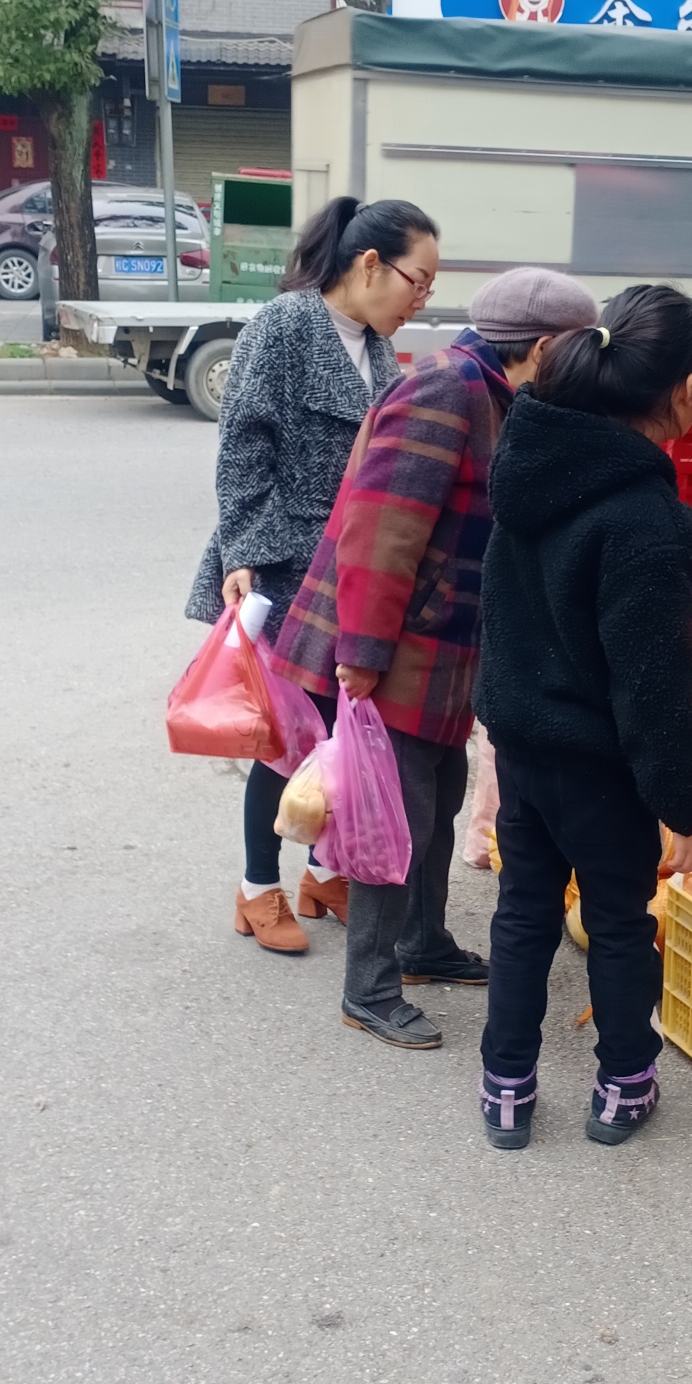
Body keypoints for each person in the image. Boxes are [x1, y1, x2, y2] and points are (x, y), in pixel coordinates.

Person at [272, 266, 601, 1050]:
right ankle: (369, 988)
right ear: (544, 346)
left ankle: (422, 945)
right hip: (402, 648)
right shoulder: (445, 391)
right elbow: (381, 531)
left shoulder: (499, 393)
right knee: (397, 820)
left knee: (440, 801)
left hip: (448, 648)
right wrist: (362, 655)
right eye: (578, 347)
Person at [475, 286, 692, 1151]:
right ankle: (624, 1085)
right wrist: (689, 804)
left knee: (523, 913)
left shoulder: (532, 468)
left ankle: (506, 1088)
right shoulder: (644, 520)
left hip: (522, 746)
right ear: (685, 391)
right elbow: (657, 689)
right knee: (619, 924)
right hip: (599, 767)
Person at [186, 195, 439, 955]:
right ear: (371, 265)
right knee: (287, 736)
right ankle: (256, 888)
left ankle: (323, 871)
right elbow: (243, 445)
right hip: (286, 560)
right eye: (418, 282)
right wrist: (242, 554)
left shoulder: (376, 345)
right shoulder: (286, 325)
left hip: (350, 565)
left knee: (339, 729)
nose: (422, 300)